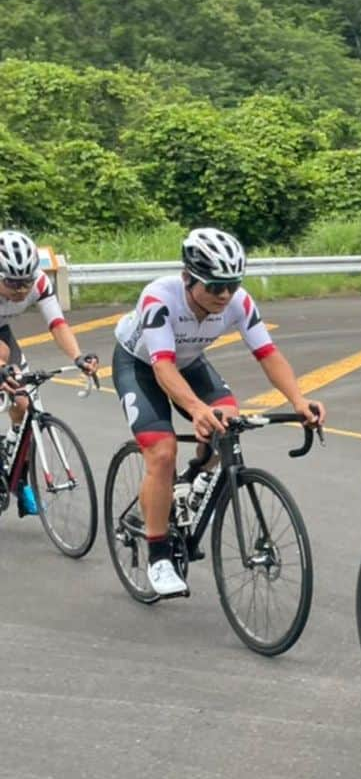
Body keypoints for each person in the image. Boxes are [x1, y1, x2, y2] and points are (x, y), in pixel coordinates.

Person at [113, 226, 324, 599]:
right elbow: (162, 367)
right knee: (162, 453)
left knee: (227, 424)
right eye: (213, 286)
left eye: (232, 284)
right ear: (187, 278)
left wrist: (298, 400)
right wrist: (195, 409)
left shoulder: (238, 302)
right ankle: (158, 553)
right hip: (142, 366)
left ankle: (191, 480)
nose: (224, 295)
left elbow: (268, 355)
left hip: (190, 363)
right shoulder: (159, 298)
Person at [0, 229, 99, 516]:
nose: (21, 289)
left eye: (26, 281)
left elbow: (57, 323)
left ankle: (18, 473)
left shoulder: (39, 283)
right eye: (12, 282)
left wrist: (78, 357)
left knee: (23, 401)